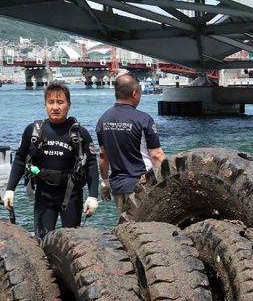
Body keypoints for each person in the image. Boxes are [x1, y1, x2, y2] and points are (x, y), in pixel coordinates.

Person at [3, 82, 99, 240]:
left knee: (72, 244)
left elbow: (91, 165)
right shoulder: (33, 131)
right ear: (45, 105)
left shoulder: (79, 133)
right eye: (51, 102)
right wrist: (10, 189)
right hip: (44, 197)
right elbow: (20, 159)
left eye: (60, 102)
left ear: (68, 105)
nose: (55, 107)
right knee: (43, 242)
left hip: (71, 196)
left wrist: (93, 196)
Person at [96, 73, 165, 214]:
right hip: (141, 185)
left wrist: (105, 181)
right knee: (145, 229)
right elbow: (157, 155)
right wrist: (168, 180)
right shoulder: (144, 120)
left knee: (125, 228)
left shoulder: (103, 119)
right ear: (134, 94)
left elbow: (103, 156)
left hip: (118, 187)